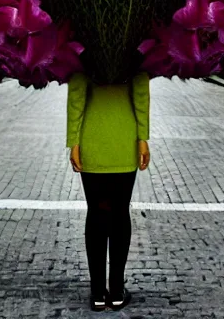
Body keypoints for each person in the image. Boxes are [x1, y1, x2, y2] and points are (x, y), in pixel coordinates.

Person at [66, 71, 151, 312]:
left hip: (91, 139)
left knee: (96, 213)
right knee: (120, 213)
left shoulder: (82, 43)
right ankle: (115, 291)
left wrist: (73, 141)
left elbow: (76, 95)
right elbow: (141, 93)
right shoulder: (135, 43)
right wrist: (143, 137)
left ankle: (97, 293)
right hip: (125, 139)